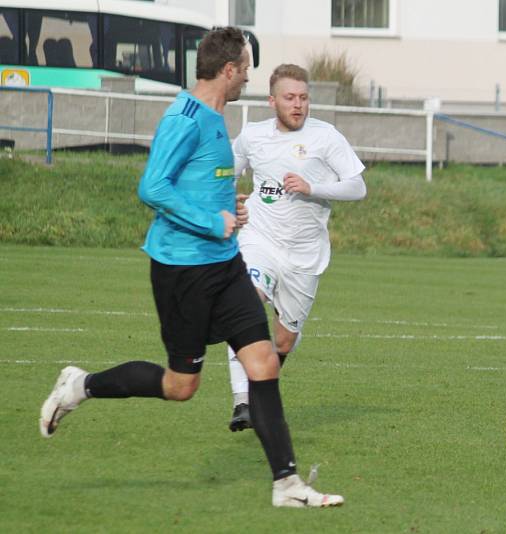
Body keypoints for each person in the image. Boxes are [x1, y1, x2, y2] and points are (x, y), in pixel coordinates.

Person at [39, 28, 344, 508]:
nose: (248, 75)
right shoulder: (184, 118)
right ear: (228, 71)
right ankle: (80, 385)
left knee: (262, 362)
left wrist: (232, 210)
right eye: (245, 68)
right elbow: (152, 187)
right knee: (181, 385)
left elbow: (207, 180)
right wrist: (210, 219)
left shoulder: (217, 117)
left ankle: (287, 485)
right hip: (183, 270)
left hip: (225, 265)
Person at [225, 63, 366, 431]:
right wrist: (228, 201)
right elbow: (226, 172)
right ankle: (243, 399)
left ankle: (262, 381)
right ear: (272, 101)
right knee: (248, 302)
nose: (298, 104)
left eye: (303, 97)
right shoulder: (254, 136)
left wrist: (312, 187)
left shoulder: (326, 137)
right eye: (290, 97)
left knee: (284, 339)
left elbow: (357, 186)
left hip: (305, 254)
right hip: (259, 238)